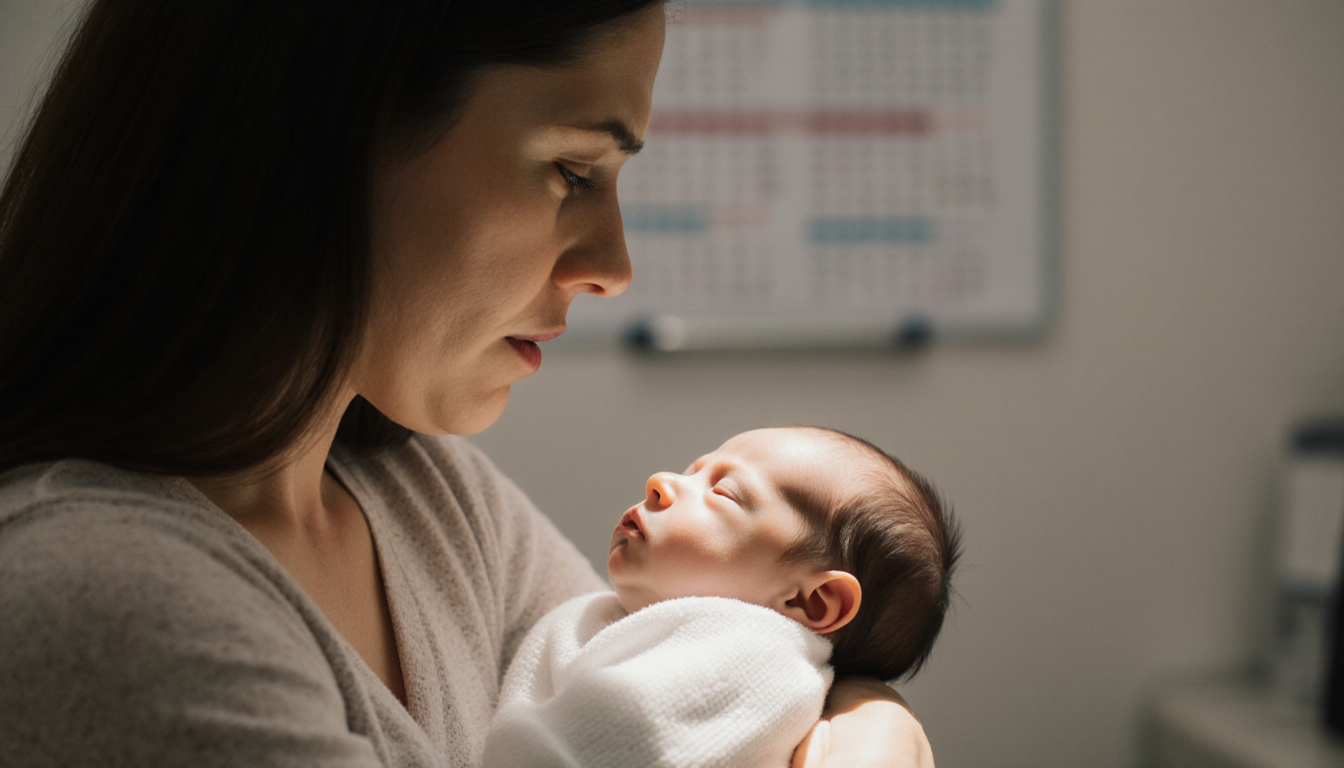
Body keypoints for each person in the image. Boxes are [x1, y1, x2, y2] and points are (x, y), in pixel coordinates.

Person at [0, 2, 936, 766]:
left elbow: (714, 650)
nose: (613, 265)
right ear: (328, 130)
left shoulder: (431, 500)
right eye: (573, 169)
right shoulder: (114, 606)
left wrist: (872, 714)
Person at [482, 426, 960, 768]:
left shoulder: (758, 659)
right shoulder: (634, 623)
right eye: (694, 470)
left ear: (812, 602)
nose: (661, 480)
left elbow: (621, 744)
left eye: (723, 492)